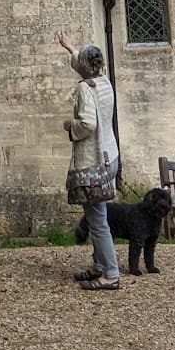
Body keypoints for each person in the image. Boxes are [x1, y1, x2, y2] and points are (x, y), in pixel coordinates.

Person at [57, 30, 120, 292]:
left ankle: (111, 274)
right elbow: (85, 66)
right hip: (111, 156)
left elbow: (88, 124)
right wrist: (71, 48)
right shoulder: (104, 81)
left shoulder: (85, 88)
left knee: (97, 220)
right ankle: (99, 265)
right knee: (99, 216)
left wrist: (70, 126)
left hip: (94, 161)